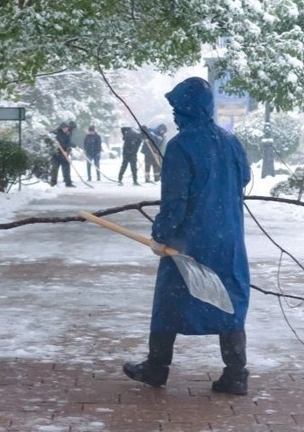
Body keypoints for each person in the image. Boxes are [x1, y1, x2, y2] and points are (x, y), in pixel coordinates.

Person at [123, 77, 252, 395]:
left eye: (177, 108)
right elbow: (245, 177)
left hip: (190, 239)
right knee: (228, 299)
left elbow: (175, 200)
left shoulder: (180, 146)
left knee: (170, 300)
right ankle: (236, 374)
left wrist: (161, 235)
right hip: (229, 238)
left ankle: (156, 368)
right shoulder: (230, 142)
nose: (175, 115)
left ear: (187, 109)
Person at [49, 121, 76, 187]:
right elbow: (51, 140)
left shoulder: (67, 134)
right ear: (62, 128)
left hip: (64, 154)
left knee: (66, 167)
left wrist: (67, 151)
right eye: (65, 128)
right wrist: (55, 144)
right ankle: (53, 183)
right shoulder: (55, 133)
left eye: (67, 128)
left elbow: (68, 143)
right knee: (55, 168)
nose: (66, 129)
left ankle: (68, 183)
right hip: (56, 154)